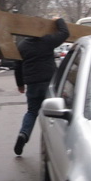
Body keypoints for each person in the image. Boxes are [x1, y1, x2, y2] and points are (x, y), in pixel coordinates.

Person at [13, 17, 69, 156]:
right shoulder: (47, 41)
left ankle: (23, 134)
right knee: (54, 113)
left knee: (32, 112)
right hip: (49, 83)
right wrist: (59, 20)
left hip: (32, 84)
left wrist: (20, 84)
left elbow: (17, 66)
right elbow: (65, 33)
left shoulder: (22, 46)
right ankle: (54, 142)